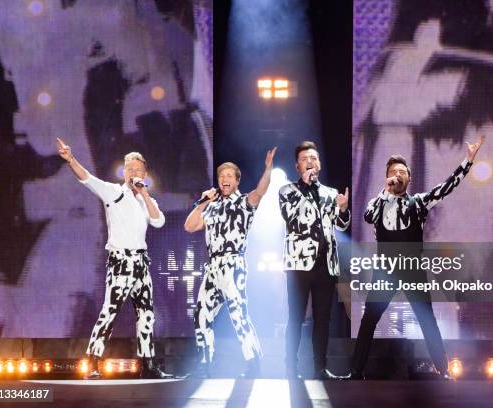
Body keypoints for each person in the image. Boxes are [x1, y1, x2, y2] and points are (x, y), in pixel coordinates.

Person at [348, 135, 485, 380]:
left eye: (402, 171)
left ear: (409, 179)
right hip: (386, 270)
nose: (397, 174)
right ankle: (356, 371)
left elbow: (446, 187)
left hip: (412, 268)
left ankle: (443, 370)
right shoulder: (378, 203)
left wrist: (468, 160)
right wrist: (385, 193)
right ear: (386, 177)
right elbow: (368, 217)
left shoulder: (419, 202)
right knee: (369, 318)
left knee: (426, 319)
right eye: (393, 171)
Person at [56, 137, 172, 380]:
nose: (133, 172)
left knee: (146, 314)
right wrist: (70, 159)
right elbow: (87, 178)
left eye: (137, 169)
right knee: (109, 311)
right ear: (124, 172)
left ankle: (148, 365)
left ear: (144, 173)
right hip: (120, 262)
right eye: (129, 169)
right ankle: (93, 364)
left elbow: (159, 221)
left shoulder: (146, 200)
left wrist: (145, 195)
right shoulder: (113, 193)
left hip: (141, 262)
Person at [184, 148, 277, 378]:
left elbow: (260, 191)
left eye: (229, 176)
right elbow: (189, 226)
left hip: (233, 264)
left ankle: (254, 362)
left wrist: (268, 169)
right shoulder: (212, 207)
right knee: (201, 314)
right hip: (212, 267)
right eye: (221, 176)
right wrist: (203, 202)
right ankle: (205, 363)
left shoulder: (244, 203)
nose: (224, 179)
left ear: (236, 181)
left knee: (238, 315)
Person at [279, 141, 350, 380]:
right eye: (305, 159)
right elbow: (292, 221)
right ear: (297, 166)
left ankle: (319, 368)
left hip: (326, 264)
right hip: (299, 264)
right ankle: (290, 368)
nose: (310, 162)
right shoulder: (287, 191)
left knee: (323, 319)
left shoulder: (330, 193)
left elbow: (340, 226)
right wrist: (305, 190)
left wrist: (343, 210)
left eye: (314, 158)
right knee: (296, 317)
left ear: (319, 163)